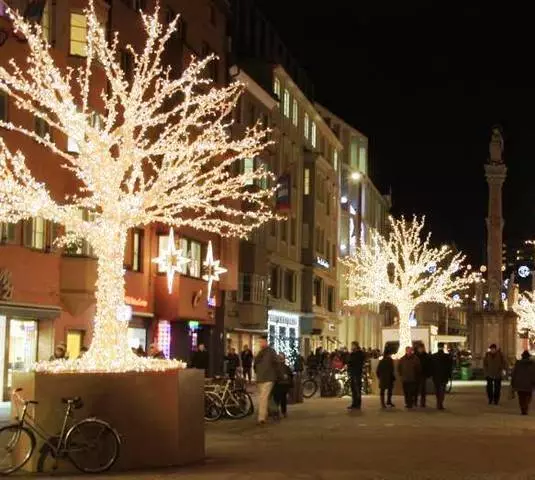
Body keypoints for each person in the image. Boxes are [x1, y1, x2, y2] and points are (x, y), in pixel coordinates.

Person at [254, 335, 280, 425]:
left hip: (269, 378)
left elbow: (277, 362)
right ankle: (274, 411)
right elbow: (255, 364)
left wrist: (276, 373)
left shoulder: (271, 351)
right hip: (260, 378)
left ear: (266, 342)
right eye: (259, 342)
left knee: (263, 397)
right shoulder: (259, 352)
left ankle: (261, 417)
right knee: (266, 397)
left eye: (262, 342)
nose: (260, 343)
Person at [511, 350, 535, 415]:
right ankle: (525, 407)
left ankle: (523, 409)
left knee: (521, 398)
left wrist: (513, 382)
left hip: (519, 384)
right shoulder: (532, 364)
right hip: (529, 384)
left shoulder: (518, 363)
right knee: (528, 397)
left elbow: (514, 373)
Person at [431, 343, 453, 410]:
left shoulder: (433, 356)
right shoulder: (446, 356)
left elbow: (431, 367)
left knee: (437, 390)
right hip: (444, 376)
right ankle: (440, 403)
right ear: (443, 347)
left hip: (436, 376)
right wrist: (450, 376)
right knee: (442, 391)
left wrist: (431, 374)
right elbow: (449, 367)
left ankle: (438, 402)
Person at [273, 353, 294, 418]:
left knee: (278, 399)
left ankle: (278, 413)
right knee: (282, 399)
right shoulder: (285, 367)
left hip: (279, 384)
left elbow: (290, 375)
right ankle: (282, 412)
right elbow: (290, 376)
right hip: (281, 384)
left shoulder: (277, 367)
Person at [347, 341, 366, 410]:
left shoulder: (359, 354)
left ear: (355, 346)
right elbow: (349, 362)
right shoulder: (352, 354)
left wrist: (351, 363)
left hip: (357, 373)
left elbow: (357, 363)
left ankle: (358, 404)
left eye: (352, 345)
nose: (351, 347)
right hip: (352, 373)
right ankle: (354, 403)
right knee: (353, 389)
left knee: (357, 389)